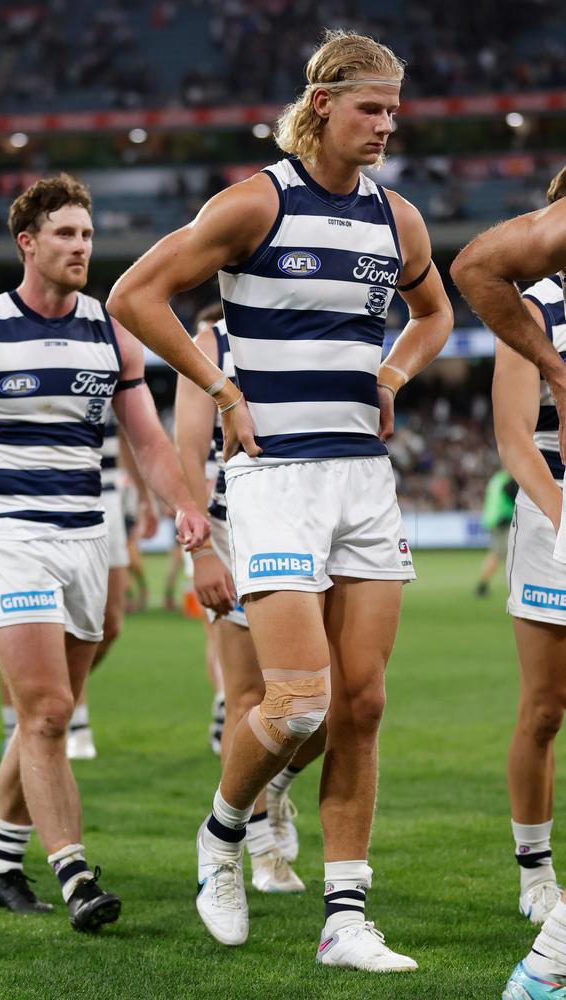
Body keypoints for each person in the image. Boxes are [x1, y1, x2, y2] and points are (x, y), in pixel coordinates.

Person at [108, 29, 452, 970]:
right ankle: (223, 837)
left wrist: (392, 373)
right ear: (324, 102)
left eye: (393, 109)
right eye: (369, 108)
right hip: (274, 481)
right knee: (298, 703)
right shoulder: (257, 201)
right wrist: (222, 390)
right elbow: (134, 297)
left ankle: (346, 917)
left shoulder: (400, 220)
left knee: (363, 704)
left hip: (363, 482)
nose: (385, 125)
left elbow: (436, 314)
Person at [0, 173, 208, 932]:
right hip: (8, 539)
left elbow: (146, 438)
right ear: (28, 243)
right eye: (66, 235)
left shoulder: (113, 335)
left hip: (86, 538)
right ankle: (76, 873)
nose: (82, 246)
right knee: (46, 711)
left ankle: (1, 865)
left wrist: (187, 512)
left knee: (52, 711)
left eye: (86, 233)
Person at [451, 169, 566, 1000]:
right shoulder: (534, 305)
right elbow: (515, 440)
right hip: (554, 519)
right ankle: (535, 871)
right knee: (544, 709)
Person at [175, 308, 327, 893]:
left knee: (338, 706)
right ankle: (259, 851)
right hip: (238, 530)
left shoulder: (318, 324)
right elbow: (189, 451)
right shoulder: (208, 343)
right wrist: (201, 551)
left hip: (317, 528)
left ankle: (278, 787)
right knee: (246, 698)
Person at [67, 414, 159, 760]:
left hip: (106, 496)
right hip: (50, 491)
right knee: (63, 619)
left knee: (111, 623)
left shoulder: (115, 358)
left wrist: (146, 497)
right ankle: (76, 720)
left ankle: (60, 692)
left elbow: (130, 431)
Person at [475, 468, 518, 597]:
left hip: (493, 519)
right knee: (503, 554)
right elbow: (513, 498)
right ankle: (483, 586)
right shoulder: (508, 481)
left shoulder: (497, 479)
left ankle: (483, 585)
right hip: (502, 520)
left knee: (499, 553)